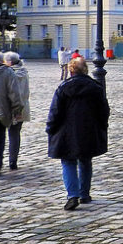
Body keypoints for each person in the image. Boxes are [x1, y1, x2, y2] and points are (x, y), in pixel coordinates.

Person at [46, 57, 110, 210]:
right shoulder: (95, 87)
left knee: (68, 162)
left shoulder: (63, 88)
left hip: (66, 131)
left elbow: (55, 111)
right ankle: (84, 194)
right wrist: (102, 126)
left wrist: (50, 127)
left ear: (71, 70)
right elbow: (104, 111)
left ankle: (72, 195)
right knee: (85, 161)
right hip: (88, 130)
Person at [3, 52, 30, 171]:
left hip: (9, 107)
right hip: (23, 106)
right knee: (15, 134)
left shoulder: (8, 73)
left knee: (1, 134)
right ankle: (13, 160)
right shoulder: (24, 72)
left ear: (9, 62)